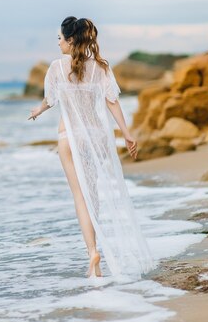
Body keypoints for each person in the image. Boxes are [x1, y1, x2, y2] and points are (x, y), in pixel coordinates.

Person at [27, 16, 156, 280]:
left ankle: (92, 253)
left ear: (71, 39)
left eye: (60, 39)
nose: (59, 43)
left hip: (70, 136)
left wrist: (38, 110)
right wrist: (127, 134)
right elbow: (112, 102)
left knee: (79, 195)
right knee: (92, 194)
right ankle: (95, 253)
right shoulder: (101, 67)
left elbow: (50, 99)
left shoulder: (56, 68)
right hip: (96, 135)